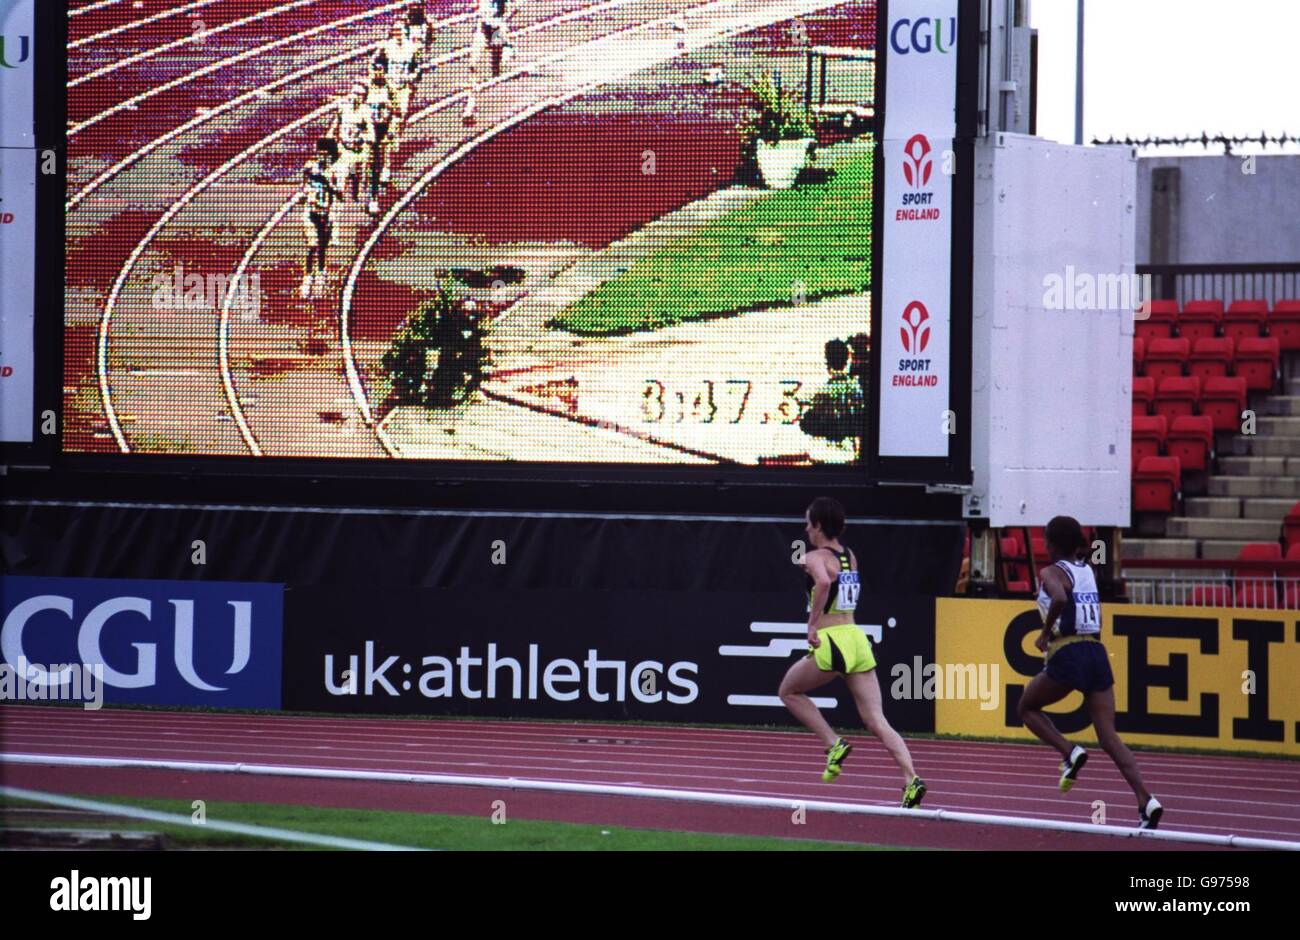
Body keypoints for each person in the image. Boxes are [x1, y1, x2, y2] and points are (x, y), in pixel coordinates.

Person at [778, 497, 927, 808]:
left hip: (832, 639)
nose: (805, 529)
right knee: (876, 719)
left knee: (789, 691)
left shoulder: (812, 557)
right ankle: (911, 779)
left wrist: (811, 625)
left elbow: (822, 582)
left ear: (818, 525)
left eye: (808, 523)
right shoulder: (850, 556)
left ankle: (833, 743)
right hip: (857, 639)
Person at [1018, 515, 1164, 829]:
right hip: (1097, 651)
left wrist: (1044, 634)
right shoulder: (1088, 571)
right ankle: (1146, 800)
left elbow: (1058, 597)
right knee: (1109, 736)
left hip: (1068, 650)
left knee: (1026, 707)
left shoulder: (1050, 571)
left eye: (1045, 539)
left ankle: (1069, 751)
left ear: (1052, 544)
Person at [800, 339, 865, 462]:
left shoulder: (820, 390)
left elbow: (808, 425)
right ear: (847, 361)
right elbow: (858, 426)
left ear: (827, 363)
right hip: (846, 454)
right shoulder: (855, 390)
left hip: (821, 453)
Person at [463, 0, 517, 123]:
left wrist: (503, 19)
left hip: (497, 30)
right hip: (483, 28)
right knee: (473, 65)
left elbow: (515, 6)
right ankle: (470, 108)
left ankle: (506, 47)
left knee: (497, 68)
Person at [301, 138, 342, 299]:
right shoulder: (310, 167)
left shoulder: (334, 171)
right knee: (312, 245)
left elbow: (340, 194)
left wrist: (329, 185)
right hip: (311, 212)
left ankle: (321, 276)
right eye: (320, 154)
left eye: (326, 155)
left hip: (326, 213)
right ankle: (307, 278)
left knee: (323, 247)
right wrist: (305, 192)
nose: (323, 157)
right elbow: (304, 185)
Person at [328, 82, 372, 203]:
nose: (355, 97)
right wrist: (330, 135)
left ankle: (355, 193)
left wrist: (366, 138)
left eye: (359, 94)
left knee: (354, 173)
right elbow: (336, 122)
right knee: (343, 169)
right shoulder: (344, 108)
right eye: (354, 93)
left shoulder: (365, 111)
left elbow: (370, 130)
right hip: (343, 146)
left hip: (357, 148)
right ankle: (340, 191)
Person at [364, 57, 396, 214]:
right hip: (367, 131)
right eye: (374, 70)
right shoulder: (365, 87)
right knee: (368, 165)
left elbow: (396, 112)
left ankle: (373, 198)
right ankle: (367, 193)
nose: (377, 74)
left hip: (382, 129)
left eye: (380, 71)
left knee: (377, 165)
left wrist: (391, 130)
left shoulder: (389, 88)